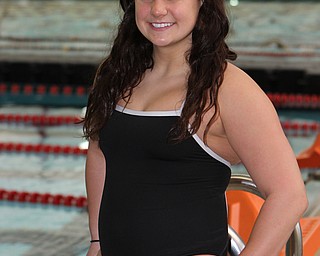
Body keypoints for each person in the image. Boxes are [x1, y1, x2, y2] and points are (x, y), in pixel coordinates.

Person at [83, 0, 308, 254]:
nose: (157, 9)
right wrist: (97, 241)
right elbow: (99, 152)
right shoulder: (116, 74)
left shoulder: (227, 89)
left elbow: (288, 194)